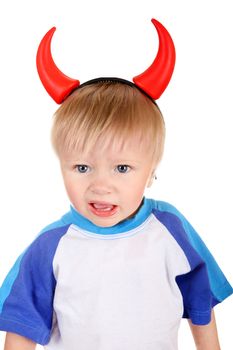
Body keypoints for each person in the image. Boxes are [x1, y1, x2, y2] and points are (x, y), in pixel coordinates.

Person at [0, 19, 232, 350]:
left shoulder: (169, 229)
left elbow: (201, 305)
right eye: (82, 167)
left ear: (151, 169)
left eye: (122, 168)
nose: (101, 185)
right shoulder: (51, 247)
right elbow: (22, 328)